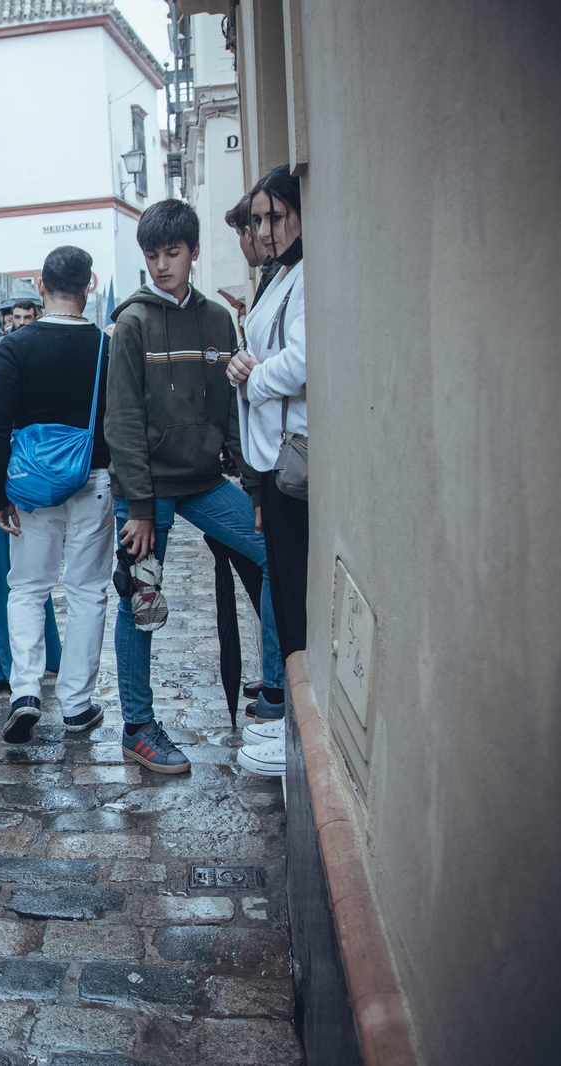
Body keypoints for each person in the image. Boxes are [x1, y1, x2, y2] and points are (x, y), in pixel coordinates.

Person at [105, 199, 286, 773]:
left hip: (205, 482)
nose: (162, 265)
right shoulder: (130, 324)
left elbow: (233, 411)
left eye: (172, 253)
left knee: (275, 549)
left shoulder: (214, 321)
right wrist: (136, 505)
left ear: (194, 253)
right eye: (152, 254)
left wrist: (256, 490)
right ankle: (138, 726)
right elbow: (123, 420)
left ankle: (277, 694)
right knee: (140, 596)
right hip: (147, 492)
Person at [0, 246, 113, 742]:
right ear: (90, 285)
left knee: (28, 589)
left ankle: (26, 693)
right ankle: (77, 705)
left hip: (30, 488)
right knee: (86, 591)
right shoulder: (104, 346)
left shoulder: (13, 347)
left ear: (40, 285)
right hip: (92, 479)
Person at [228, 164, 308, 777]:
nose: (264, 229)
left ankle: (289, 726)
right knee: (281, 580)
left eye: (273, 216)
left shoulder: (306, 276)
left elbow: (303, 360)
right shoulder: (280, 275)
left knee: (290, 589)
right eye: (258, 220)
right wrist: (243, 366)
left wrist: (252, 376)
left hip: (291, 453)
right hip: (269, 454)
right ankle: (286, 721)